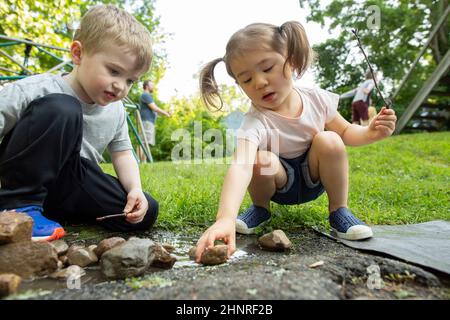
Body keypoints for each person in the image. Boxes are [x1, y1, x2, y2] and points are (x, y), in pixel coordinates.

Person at [195, 22, 396, 262]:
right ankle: (260, 208)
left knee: (329, 139)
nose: (259, 82)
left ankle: (339, 211)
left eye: (267, 68)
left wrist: (370, 133)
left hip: (314, 177)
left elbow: (346, 131)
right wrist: (225, 218)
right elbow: (241, 166)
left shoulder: (317, 99)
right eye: (247, 80)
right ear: (240, 86)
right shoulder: (255, 121)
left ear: (290, 60)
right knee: (259, 159)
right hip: (281, 185)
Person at [0, 5, 159, 241]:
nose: (120, 86)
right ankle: (17, 207)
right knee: (64, 108)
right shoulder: (37, 89)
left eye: (130, 81)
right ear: (78, 54)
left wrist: (135, 189)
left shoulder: (115, 110)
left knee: (144, 211)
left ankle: (51, 213)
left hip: (71, 182)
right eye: (114, 71)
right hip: (22, 179)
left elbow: (123, 153)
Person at [138, 80, 170, 161]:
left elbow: (154, 110)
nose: (153, 87)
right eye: (151, 85)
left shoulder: (148, 96)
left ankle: (143, 162)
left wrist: (165, 113)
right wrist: (165, 113)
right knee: (142, 141)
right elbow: (154, 108)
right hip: (146, 121)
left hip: (149, 122)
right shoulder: (146, 95)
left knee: (146, 142)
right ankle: (138, 161)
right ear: (147, 86)